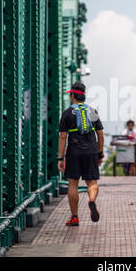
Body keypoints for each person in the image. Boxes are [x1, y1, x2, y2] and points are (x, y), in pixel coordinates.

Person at [57, 81, 105, 226]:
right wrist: (100, 153)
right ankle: (91, 200)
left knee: (73, 184)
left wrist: (60, 157)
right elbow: (100, 135)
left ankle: (75, 217)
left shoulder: (67, 113)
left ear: (72, 95)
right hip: (90, 151)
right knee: (92, 182)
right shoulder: (93, 111)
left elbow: (63, 137)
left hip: (74, 152)